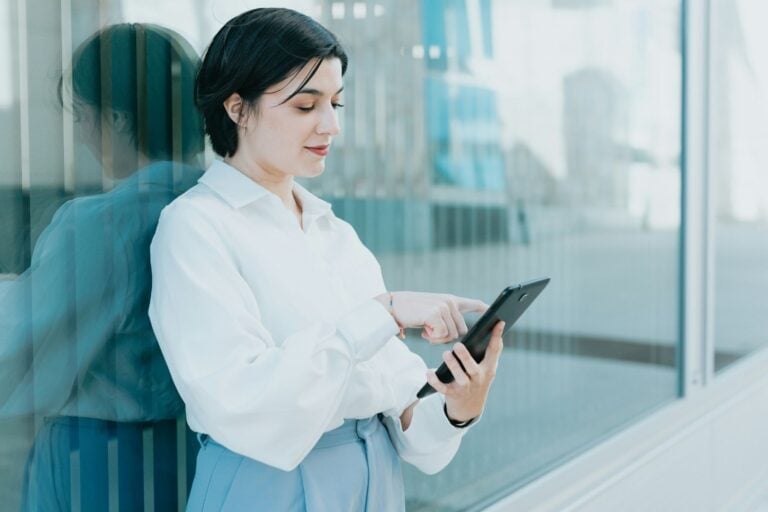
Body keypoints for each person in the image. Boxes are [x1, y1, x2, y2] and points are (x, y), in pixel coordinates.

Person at [148, 7, 505, 511]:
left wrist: (458, 408)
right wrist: (382, 313)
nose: (331, 125)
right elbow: (247, 404)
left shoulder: (333, 232)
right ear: (237, 108)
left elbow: (399, 410)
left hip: (374, 480)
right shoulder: (196, 227)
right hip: (267, 487)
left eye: (336, 103)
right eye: (305, 105)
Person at [0, 23, 204, 511]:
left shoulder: (103, 224)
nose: (81, 132)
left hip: (101, 460)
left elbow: (23, 337)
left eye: (82, 115)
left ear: (115, 118)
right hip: (197, 454)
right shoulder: (228, 208)